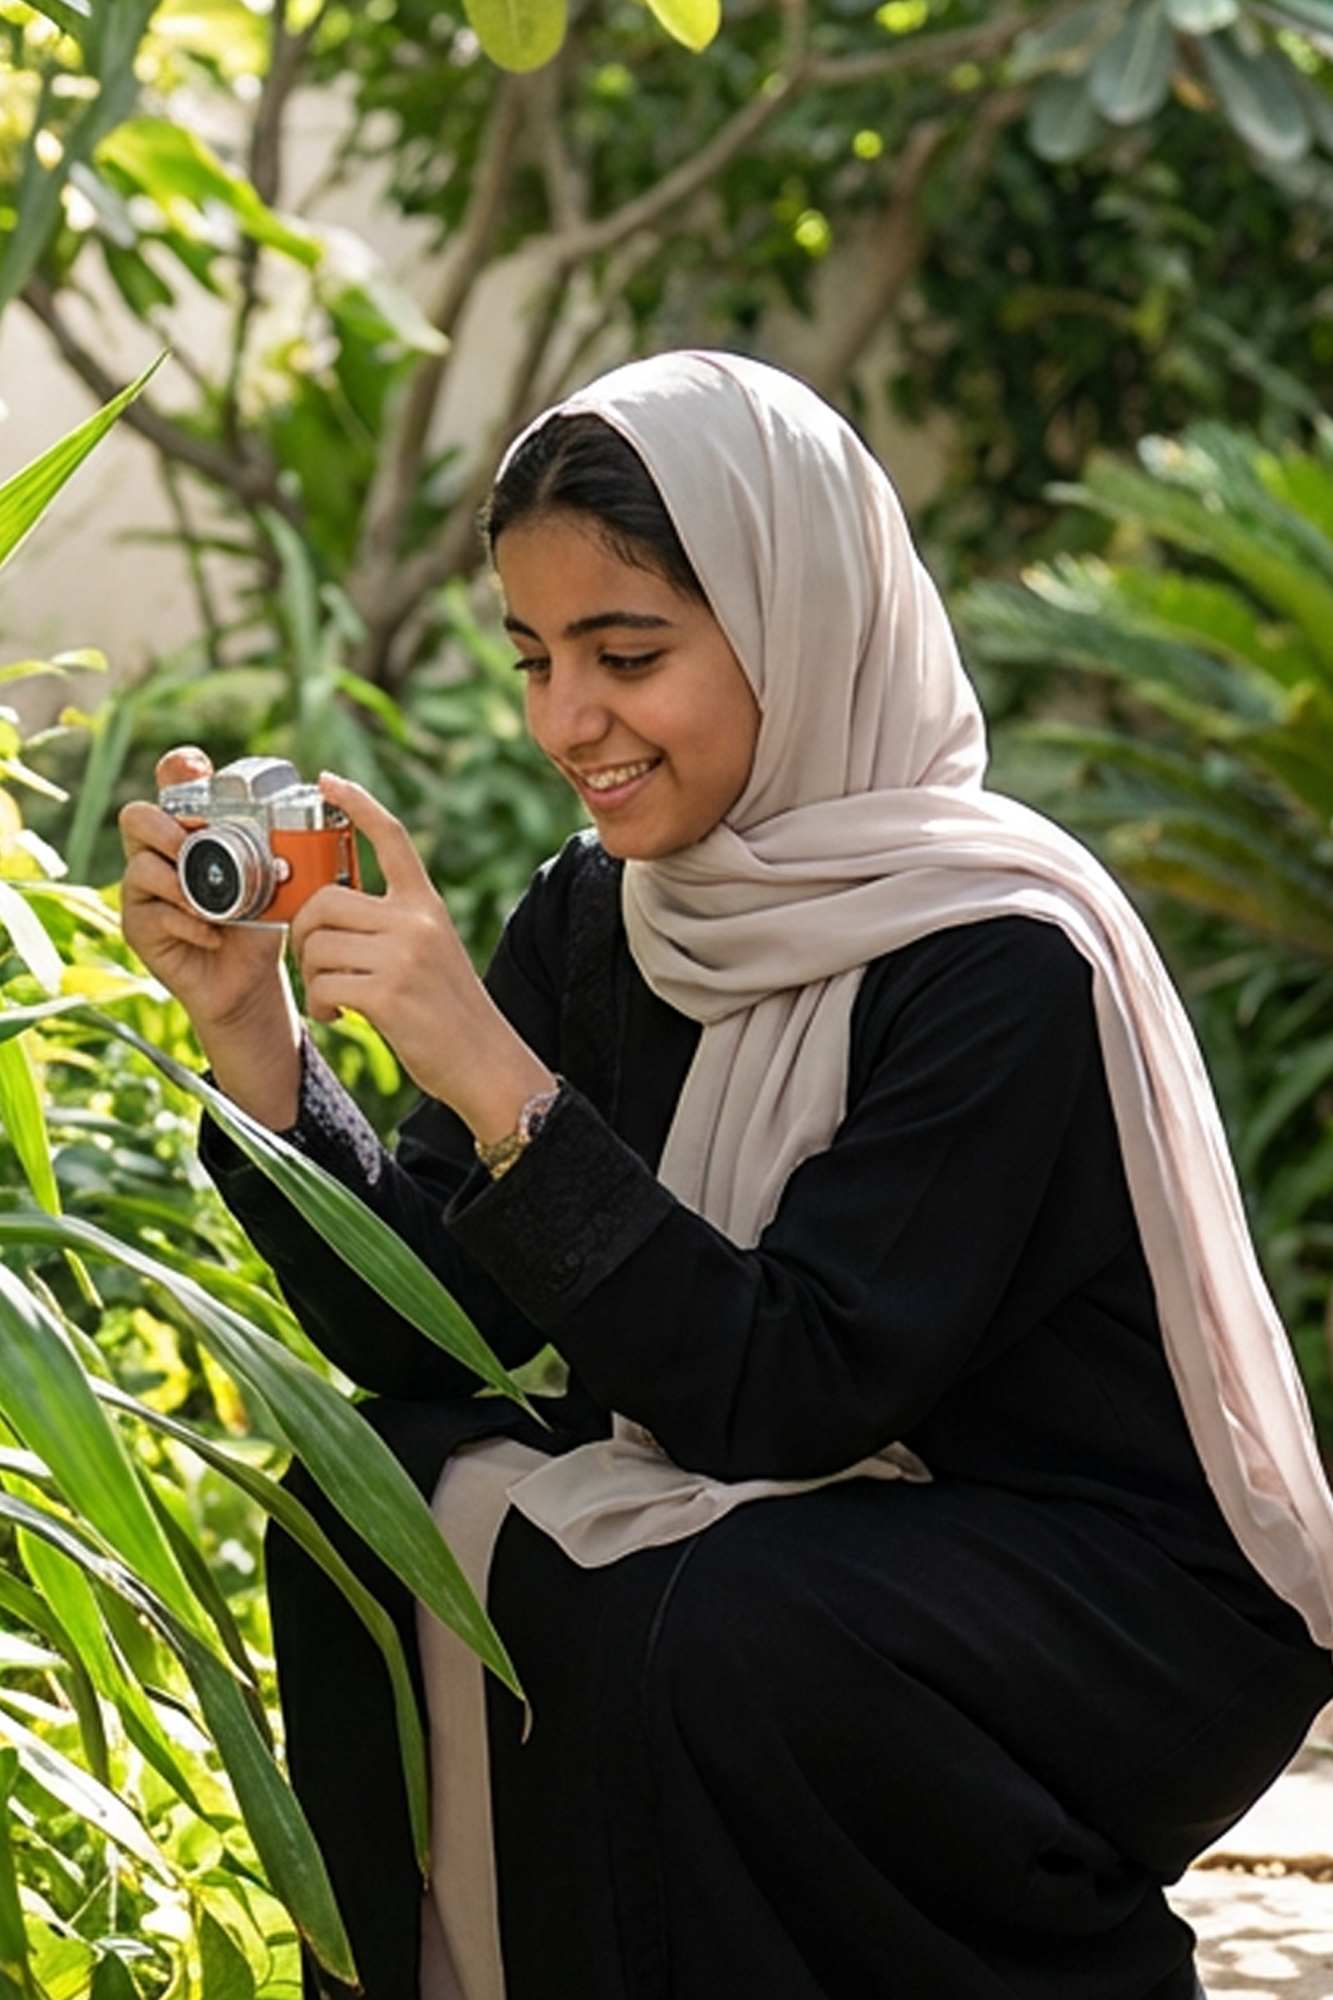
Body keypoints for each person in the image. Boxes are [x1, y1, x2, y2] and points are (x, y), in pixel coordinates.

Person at [116, 351, 1333, 2000]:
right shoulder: (606, 914)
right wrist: (254, 1035)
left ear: (793, 625)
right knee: (366, 1499)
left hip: (1095, 1586)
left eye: (627, 656)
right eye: (535, 659)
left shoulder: (998, 951)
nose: (567, 721)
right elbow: (428, 1340)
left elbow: (795, 1388)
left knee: (710, 1613)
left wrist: (493, 1076)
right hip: (804, 1514)